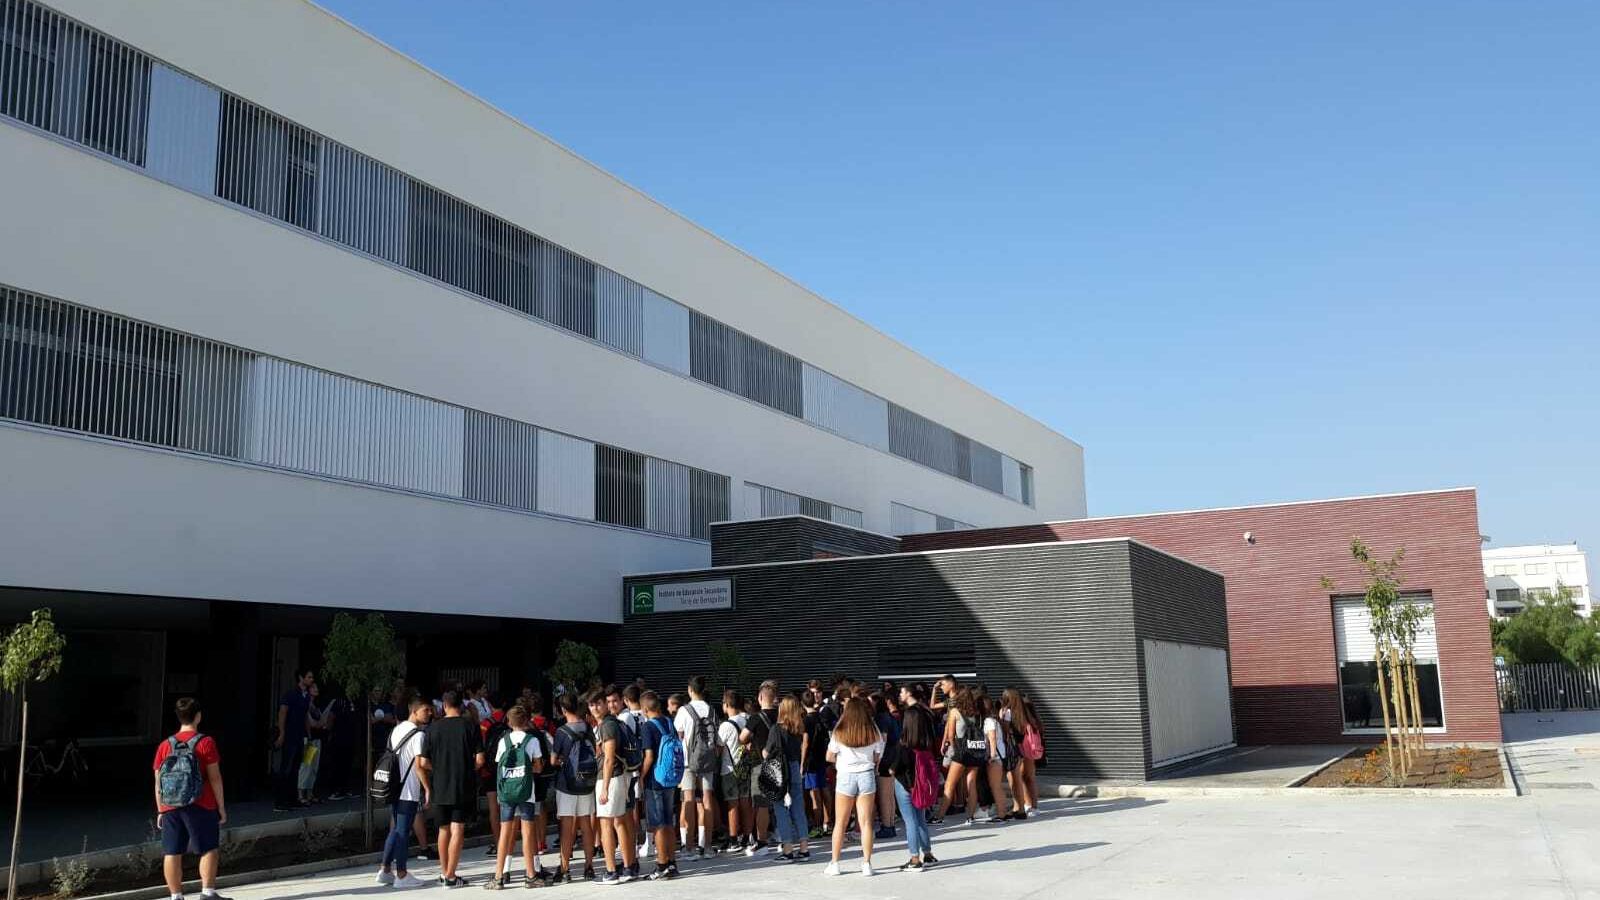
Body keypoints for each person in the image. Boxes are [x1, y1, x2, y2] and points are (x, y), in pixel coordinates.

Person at [153, 698, 231, 900]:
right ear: (198, 716)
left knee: (172, 852)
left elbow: (158, 782)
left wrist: (161, 809)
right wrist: (221, 806)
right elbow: (215, 778)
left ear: (178, 717)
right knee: (208, 848)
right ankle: (207, 893)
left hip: (170, 805)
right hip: (201, 803)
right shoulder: (205, 742)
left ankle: (176, 896)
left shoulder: (164, 746)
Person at [421, 691, 482, 887]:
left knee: (443, 828)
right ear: (461, 705)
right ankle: (451, 875)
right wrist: (466, 768)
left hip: (440, 784)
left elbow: (423, 762)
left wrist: (439, 769)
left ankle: (444, 871)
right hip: (462, 784)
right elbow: (480, 760)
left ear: (444, 705)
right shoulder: (470, 726)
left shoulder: (432, 728)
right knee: (458, 828)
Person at [485, 705, 546, 890]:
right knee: (527, 832)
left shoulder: (503, 741)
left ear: (509, 722)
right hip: (526, 791)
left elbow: (499, 764)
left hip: (507, 792)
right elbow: (538, 768)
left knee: (505, 832)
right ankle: (531, 875)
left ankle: (498, 876)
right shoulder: (532, 740)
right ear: (526, 720)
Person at [823, 697, 883, 877]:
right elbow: (877, 755)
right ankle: (867, 864)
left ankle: (835, 863)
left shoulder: (840, 730)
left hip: (845, 776)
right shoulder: (872, 729)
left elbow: (829, 756)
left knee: (840, 823)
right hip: (866, 775)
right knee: (866, 823)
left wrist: (841, 761)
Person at [376, 698, 431, 889]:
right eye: (425, 710)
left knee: (396, 830)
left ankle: (385, 870)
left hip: (394, 787)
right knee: (403, 832)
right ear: (414, 711)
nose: (429, 713)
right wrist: (427, 788)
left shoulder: (396, 729)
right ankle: (401, 874)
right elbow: (420, 765)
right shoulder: (418, 735)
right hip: (408, 789)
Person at [589, 690, 638, 884]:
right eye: (591, 705)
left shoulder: (607, 725)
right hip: (620, 777)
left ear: (605, 704)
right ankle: (628, 867)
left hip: (611, 778)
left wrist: (604, 788)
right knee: (620, 822)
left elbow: (609, 759)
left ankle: (611, 871)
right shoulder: (611, 723)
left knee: (606, 824)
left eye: (598, 703)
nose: (595, 708)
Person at [550, 691, 597, 883]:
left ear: (563, 710)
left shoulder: (561, 731)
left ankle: (565, 869)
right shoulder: (587, 727)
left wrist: (563, 760)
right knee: (586, 824)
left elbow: (553, 760)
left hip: (567, 784)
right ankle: (589, 866)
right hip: (587, 782)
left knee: (567, 827)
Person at [673, 677, 721, 859]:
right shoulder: (712, 710)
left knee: (689, 800)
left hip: (688, 761)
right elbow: (717, 739)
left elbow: (679, 734)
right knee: (707, 800)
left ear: (690, 690)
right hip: (708, 760)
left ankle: (689, 848)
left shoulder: (684, 710)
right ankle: (707, 846)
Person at [637, 691, 681, 881]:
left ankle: (661, 864)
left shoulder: (648, 727)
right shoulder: (669, 722)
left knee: (658, 824)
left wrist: (641, 776)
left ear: (645, 709)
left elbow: (649, 757)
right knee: (669, 822)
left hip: (655, 780)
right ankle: (672, 862)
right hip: (670, 778)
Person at [891, 702, 940, 870]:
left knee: (910, 821)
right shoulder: (926, 743)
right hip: (921, 786)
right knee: (920, 820)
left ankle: (914, 858)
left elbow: (894, 768)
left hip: (904, 786)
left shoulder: (903, 745)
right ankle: (928, 854)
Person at [769, 695, 811, 861]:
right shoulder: (798, 729)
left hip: (780, 769)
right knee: (798, 808)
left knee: (780, 808)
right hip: (794, 767)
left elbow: (768, 751)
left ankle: (787, 849)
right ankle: (804, 848)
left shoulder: (776, 729)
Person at [932, 688, 982, 825]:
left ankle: (939, 817)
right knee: (971, 784)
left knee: (949, 784)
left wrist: (952, 749)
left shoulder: (955, 711)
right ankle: (970, 817)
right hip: (975, 750)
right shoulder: (976, 713)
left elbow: (950, 735)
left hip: (961, 751)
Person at [742, 681, 779, 855]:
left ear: (760, 698)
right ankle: (783, 837)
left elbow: (742, 738)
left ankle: (762, 840)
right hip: (780, 763)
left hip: (760, 764)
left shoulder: (755, 718)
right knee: (780, 801)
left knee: (762, 804)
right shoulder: (782, 715)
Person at [273, 669, 314, 811]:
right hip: (290, 735)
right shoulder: (290, 694)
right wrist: (282, 733)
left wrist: (308, 735)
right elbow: (282, 712)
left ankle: (291, 799)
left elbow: (305, 716)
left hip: (300, 735)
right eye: (309, 677)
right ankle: (280, 801)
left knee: (296, 768)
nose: (311, 680)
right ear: (301, 678)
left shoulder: (306, 696)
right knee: (286, 768)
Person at [716, 689, 751, 852]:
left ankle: (733, 838)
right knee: (745, 802)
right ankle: (747, 836)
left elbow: (719, 748)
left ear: (727, 705)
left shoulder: (725, 726)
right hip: (745, 766)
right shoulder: (747, 720)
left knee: (732, 804)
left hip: (730, 768)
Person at [1002, 689, 1044, 816]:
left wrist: (1002, 717)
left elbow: (1005, 730)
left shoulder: (1008, 712)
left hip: (1017, 749)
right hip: (1028, 747)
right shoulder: (1026, 711)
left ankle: (1022, 805)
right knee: (1029, 778)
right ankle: (1033, 806)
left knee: (1017, 778)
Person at [801, 691, 832, 839]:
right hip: (823, 758)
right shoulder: (821, 717)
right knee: (825, 790)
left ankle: (817, 826)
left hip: (811, 761)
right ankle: (828, 822)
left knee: (814, 794)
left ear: (802, 704)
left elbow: (805, 743)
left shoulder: (806, 720)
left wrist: (802, 763)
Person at [871, 692, 902, 840]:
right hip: (893, 756)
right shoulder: (889, 717)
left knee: (884, 795)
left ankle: (887, 826)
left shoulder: (881, 718)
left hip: (885, 759)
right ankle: (890, 824)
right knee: (889, 794)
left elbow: (882, 740)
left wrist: (878, 762)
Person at [298, 682, 327, 805]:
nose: (316, 689)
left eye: (316, 687)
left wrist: (322, 722)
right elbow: (312, 723)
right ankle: (300, 794)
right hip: (310, 739)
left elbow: (322, 722)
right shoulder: (306, 705)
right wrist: (319, 723)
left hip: (317, 738)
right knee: (307, 765)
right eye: (313, 687)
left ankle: (310, 793)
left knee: (314, 767)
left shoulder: (315, 706)